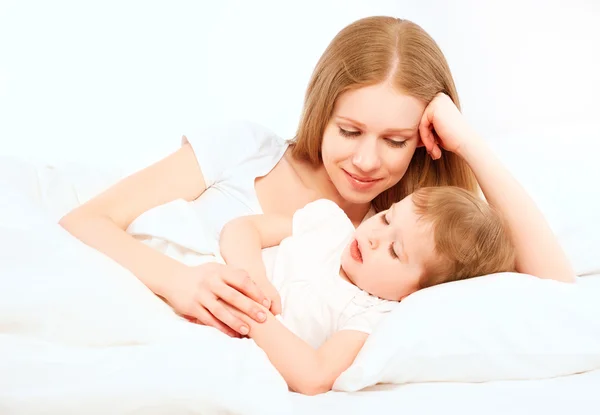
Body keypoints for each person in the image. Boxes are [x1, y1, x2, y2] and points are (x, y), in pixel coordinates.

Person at [58, 16, 575, 339]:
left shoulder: (408, 226)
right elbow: (87, 220)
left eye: (395, 140)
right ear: (321, 111)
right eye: (349, 130)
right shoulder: (243, 150)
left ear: (422, 138)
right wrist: (179, 283)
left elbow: (555, 290)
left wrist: (468, 143)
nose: (367, 161)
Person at [217, 186, 516, 394]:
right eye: (387, 217)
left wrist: (250, 312)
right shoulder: (329, 225)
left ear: (414, 294)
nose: (375, 236)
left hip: (231, 331)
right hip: (212, 282)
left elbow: (314, 376)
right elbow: (241, 229)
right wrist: (253, 282)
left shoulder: (370, 314)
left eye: (395, 251)